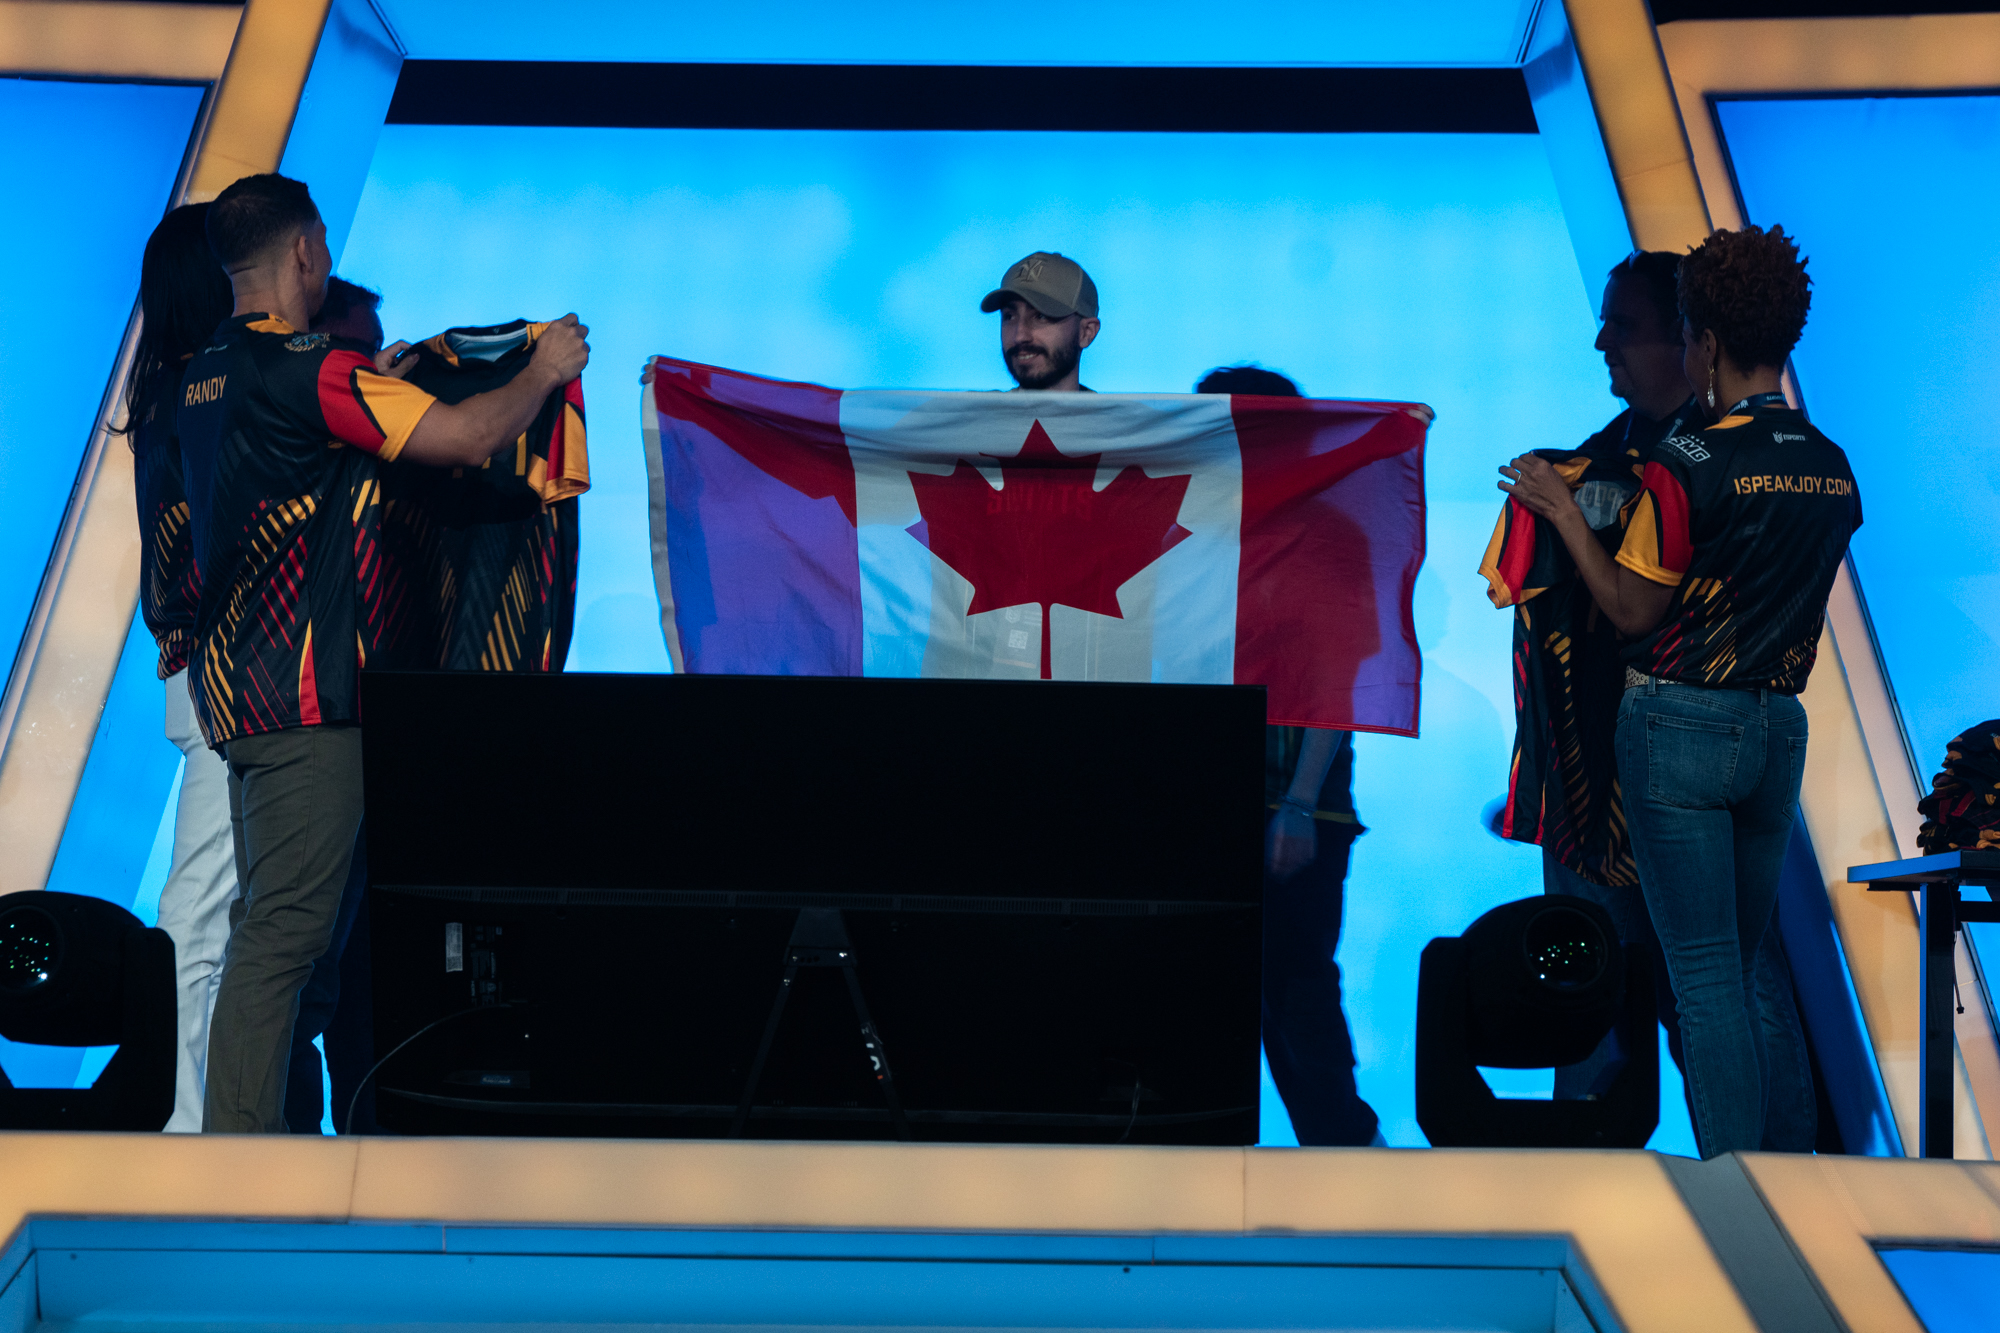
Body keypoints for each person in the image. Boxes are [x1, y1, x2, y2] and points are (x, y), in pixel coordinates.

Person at [178, 172, 590, 1133]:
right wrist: (544, 370)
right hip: (312, 700)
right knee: (285, 938)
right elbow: (468, 438)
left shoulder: (204, 373)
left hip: (243, 693)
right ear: (306, 250)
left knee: (296, 945)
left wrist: (382, 380)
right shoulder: (312, 369)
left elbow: (297, 472)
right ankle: (240, 1157)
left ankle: (273, 1139)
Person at [1500, 224, 1859, 1158]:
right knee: (1740, 970)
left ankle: (1738, 1181)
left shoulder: (1687, 463)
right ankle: (1788, 1181)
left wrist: (1565, 517)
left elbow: (1630, 610)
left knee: (1705, 977)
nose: (1602, 344)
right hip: (1774, 727)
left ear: (1698, 338)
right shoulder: (1831, 464)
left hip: (1676, 729)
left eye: (1623, 325)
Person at [1197, 364, 1380, 1147]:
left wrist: (1298, 803)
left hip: (1297, 808)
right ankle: (1202, 1161)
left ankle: (1345, 1155)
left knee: (1298, 990)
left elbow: (1339, 679)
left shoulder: (1328, 538)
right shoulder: (1192, 536)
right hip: (1202, 801)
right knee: (1204, 994)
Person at [124, 202, 239, 1132]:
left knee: (218, 909)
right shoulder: (203, 395)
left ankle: (202, 1119)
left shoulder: (169, 391)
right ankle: (182, 1126)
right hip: (227, 673)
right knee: (201, 907)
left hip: (202, 670)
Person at [981, 252, 1099, 391]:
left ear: (1086, 332)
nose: (1019, 337)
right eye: (1009, 317)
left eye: (1041, 316)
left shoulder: (1115, 407)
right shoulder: (969, 405)